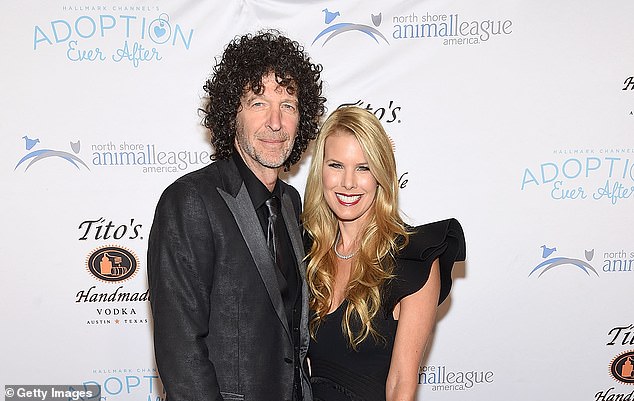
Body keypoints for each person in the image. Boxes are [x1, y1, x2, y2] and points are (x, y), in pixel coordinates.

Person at [147, 30, 326, 401]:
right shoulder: (190, 201)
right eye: (258, 102)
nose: (275, 122)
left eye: (288, 104)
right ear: (232, 114)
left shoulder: (291, 203)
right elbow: (182, 352)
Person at [302, 106, 466, 401]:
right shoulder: (308, 253)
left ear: (381, 174)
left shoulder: (412, 260)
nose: (348, 182)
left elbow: (401, 385)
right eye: (336, 165)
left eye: (363, 168)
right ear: (320, 171)